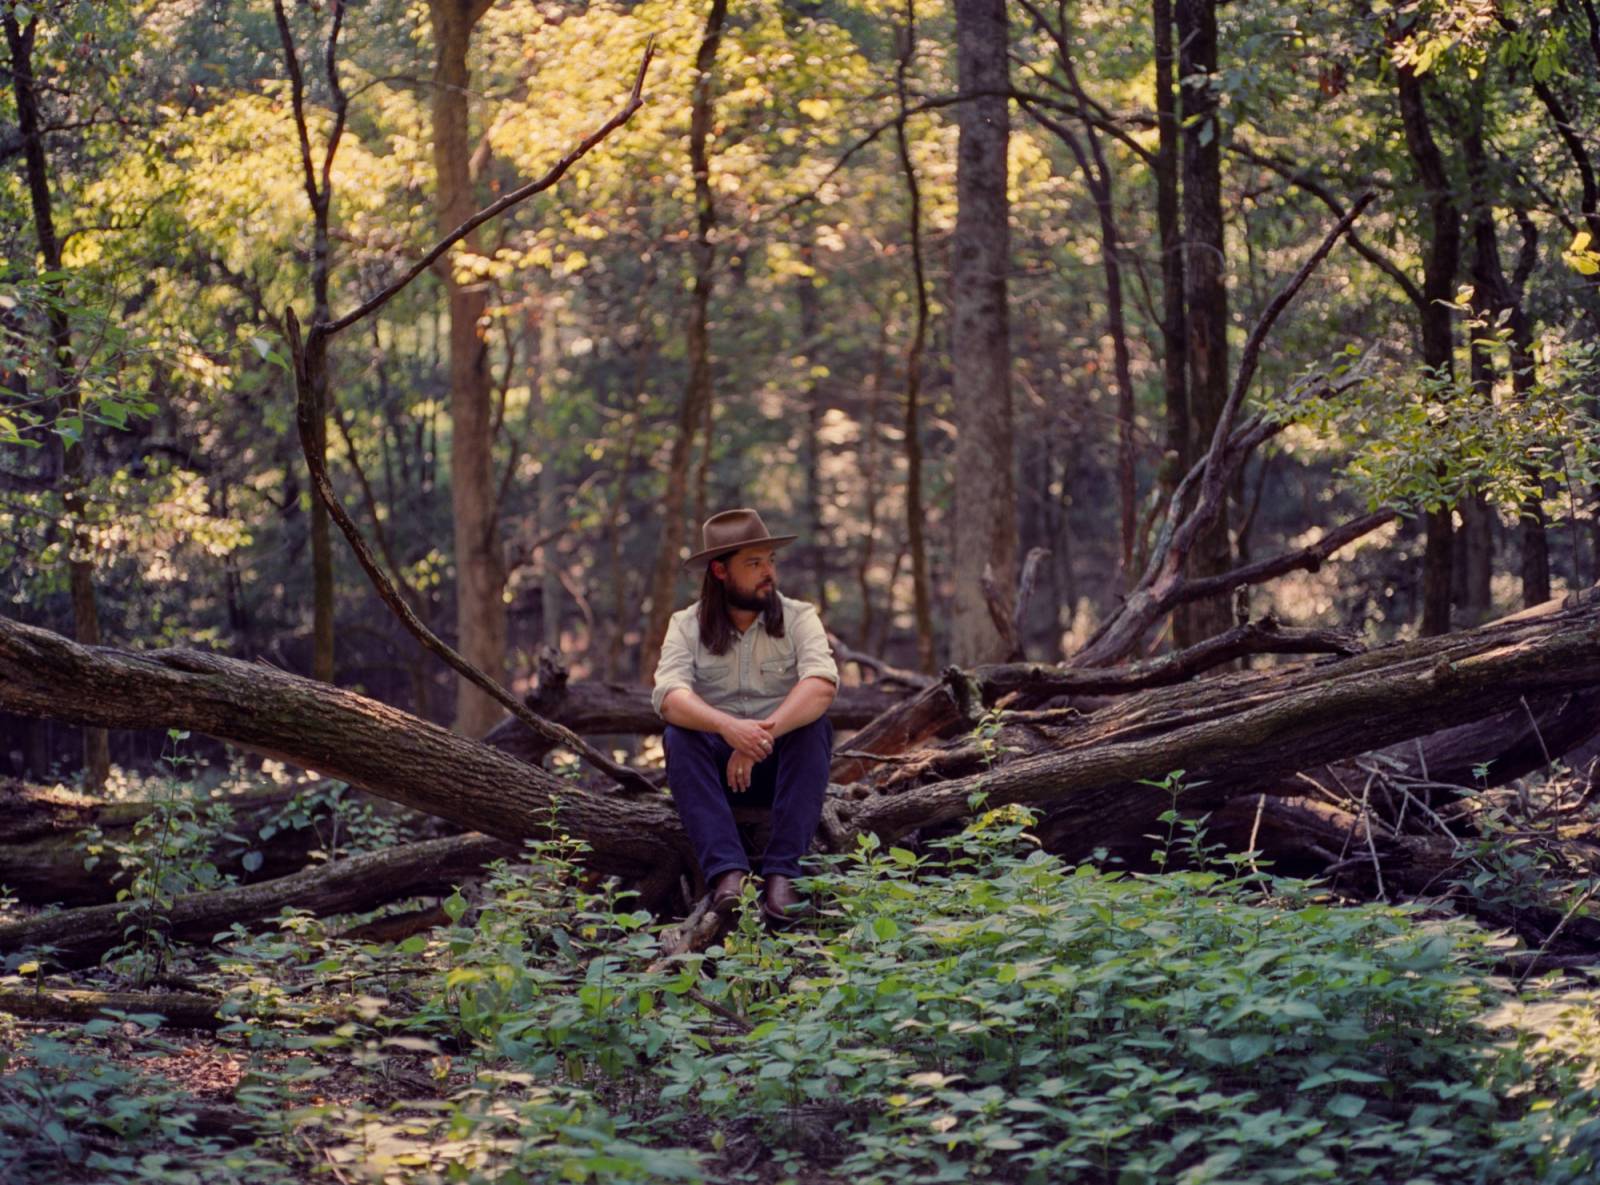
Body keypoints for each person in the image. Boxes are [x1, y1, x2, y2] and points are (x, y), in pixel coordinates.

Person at [651, 508, 839, 929]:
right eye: (753, 563)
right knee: (679, 735)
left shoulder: (799, 618)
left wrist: (757, 740)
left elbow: (822, 684)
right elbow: (668, 696)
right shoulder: (685, 626)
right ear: (720, 570)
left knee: (814, 729)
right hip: (716, 776)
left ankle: (783, 875)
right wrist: (728, 727)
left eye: (770, 560)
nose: (767, 572)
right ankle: (727, 875)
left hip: (779, 771)